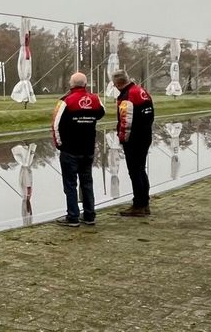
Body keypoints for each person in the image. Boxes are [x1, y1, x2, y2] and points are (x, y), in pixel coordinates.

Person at [51, 72, 105, 227]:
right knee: (87, 182)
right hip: (88, 148)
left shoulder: (65, 101)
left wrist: (59, 144)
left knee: (70, 184)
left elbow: (55, 125)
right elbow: (101, 113)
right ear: (85, 84)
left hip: (70, 149)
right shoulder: (95, 99)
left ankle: (73, 216)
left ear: (71, 84)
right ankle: (89, 215)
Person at [113, 70, 155, 216]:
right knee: (141, 169)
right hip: (145, 135)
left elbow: (126, 121)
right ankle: (145, 202)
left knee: (135, 171)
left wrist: (122, 138)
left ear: (118, 83)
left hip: (134, 139)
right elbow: (151, 115)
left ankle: (139, 205)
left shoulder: (127, 96)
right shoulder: (142, 91)